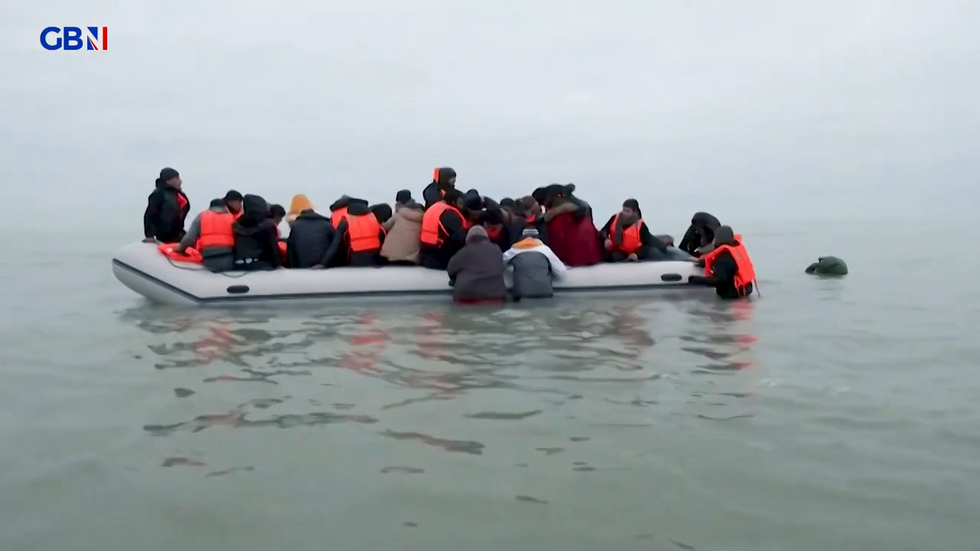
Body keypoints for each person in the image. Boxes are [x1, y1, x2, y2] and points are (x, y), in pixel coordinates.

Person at [540, 184, 603, 267]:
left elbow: (558, 239)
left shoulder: (561, 216)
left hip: (575, 258)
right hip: (591, 255)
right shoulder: (583, 210)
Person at [688, 225, 756, 299]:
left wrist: (695, 279)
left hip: (732, 297)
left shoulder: (722, 258)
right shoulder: (735, 251)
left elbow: (721, 281)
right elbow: (731, 266)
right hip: (746, 290)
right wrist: (706, 262)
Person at [446, 226, 507, 305]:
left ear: (468, 239)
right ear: (486, 237)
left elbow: (450, 270)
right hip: (496, 297)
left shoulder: (464, 252)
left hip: (468, 297)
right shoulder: (497, 250)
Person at [502, 227, 567, 300]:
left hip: (521, 295)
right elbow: (561, 273)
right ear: (538, 238)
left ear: (521, 238)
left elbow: (499, 265)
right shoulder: (545, 249)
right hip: (545, 293)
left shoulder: (513, 250)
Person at [599, 199, 669, 262]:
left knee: (652, 250)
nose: (624, 213)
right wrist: (606, 239)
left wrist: (637, 254)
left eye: (627, 211)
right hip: (617, 251)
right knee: (615, 256)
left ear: (634, 212)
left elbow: (648, 243)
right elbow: (604, 231)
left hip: (633, 253)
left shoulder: (640, 225)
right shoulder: (614, 218)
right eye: (623, 210)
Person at [177, 198, 236, 272]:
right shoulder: (231, 218)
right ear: (225, 207)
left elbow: (189, 237)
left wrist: (181, 249)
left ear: (210, 207)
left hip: (209, 258)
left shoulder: (202, 216)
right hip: (227, 257)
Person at [419, 189, 469, 270]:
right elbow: (460, 239)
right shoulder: (450, 215)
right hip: (441, 261)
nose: (463, 206)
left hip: (426, 257)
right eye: (461, 203)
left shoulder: (435, 207)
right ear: (453, 202)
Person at [326, 201, 386, 267]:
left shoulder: (345, 224)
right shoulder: (375, 222)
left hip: (355, 261)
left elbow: (339, 243)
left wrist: (324, 263)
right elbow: (383, 235)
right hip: (375, 258)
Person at [232, 194, 282, 270]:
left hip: (240, 266)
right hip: (261, 264)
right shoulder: (268, 225)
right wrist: (278, 265)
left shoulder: (238, 223)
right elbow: (273, 249)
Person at [143, 167, 190, 243]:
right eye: (177, 178)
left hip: (179, 234)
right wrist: (149, 235)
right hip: (164, 236)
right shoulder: (158, 194)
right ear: (169, 180)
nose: (180, 181)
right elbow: (150, 215)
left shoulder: (180, 195)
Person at [285, 204, 337, 269]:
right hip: (325, 266)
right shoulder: (327, 225)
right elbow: (335, 245)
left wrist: (292, 267)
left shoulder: (295, 226)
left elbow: (290, 249)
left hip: (303, 266)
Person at [380, 200, 424, 265]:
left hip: (390, 254)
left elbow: (385, 227)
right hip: (410, 258)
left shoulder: (398, 215)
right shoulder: (423, 219)